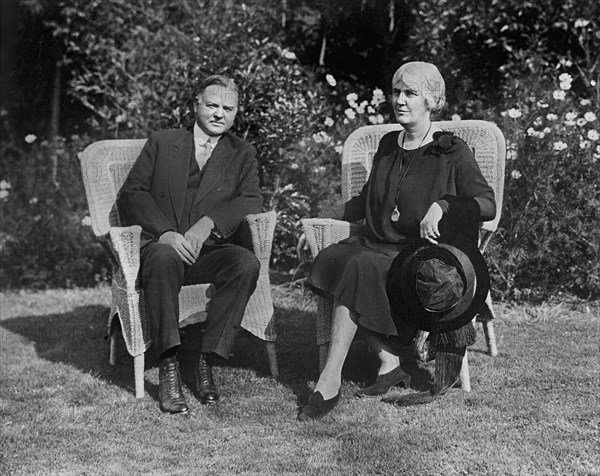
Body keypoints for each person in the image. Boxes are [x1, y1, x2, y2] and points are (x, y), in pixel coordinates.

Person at [296, 61, 496, 420]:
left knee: (355, 265)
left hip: (414, 258)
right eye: (396, 92)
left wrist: (443, 205)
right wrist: (321, 218)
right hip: (375, 243)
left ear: (432, 100)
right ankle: (388, 361)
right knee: (331, 257)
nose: (400, 100)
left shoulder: (452, 151)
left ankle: (330, 379)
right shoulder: (389, 144)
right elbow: (364, 200)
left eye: (410, 93)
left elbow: (486, 204)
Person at [117, 75, 262, 414]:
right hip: (162, 249)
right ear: (196, 104)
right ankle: (168, 364)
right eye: (212, 105)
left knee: (246, 263)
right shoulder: (164, 142)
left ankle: (205, 358)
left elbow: (251, 200)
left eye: (228, 108)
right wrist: (166, 232)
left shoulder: (241, 153)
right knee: (164, 256)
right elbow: (131, 194)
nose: (218, 114)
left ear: (237, 112)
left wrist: (208, 224)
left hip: (207, 250)